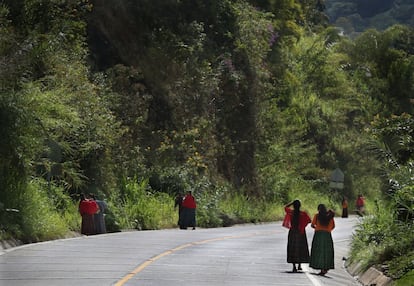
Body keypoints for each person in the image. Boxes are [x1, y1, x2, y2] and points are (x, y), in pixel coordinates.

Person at [284, 200, 311, 273]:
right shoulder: (303, 214)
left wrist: (291, 203)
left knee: (292, 248)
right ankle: (299, 265)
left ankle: (294, 267)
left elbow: (285, 207)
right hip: (301, 233)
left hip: (292, 232)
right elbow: (309, 220)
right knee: (300, 248)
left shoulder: (291, 212)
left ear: (293, 206)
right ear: (300, 206)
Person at [309, 204, 335, 276]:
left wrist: (318, 228)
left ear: (319, 209)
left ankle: (321, 268)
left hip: (318, 235)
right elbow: (333, 226)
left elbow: (312, 225)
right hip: (327, 235)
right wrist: (327, 230)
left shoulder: (317, 216)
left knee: (318, 251)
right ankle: (325, 268)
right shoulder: (330, 216)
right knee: (327, 252)